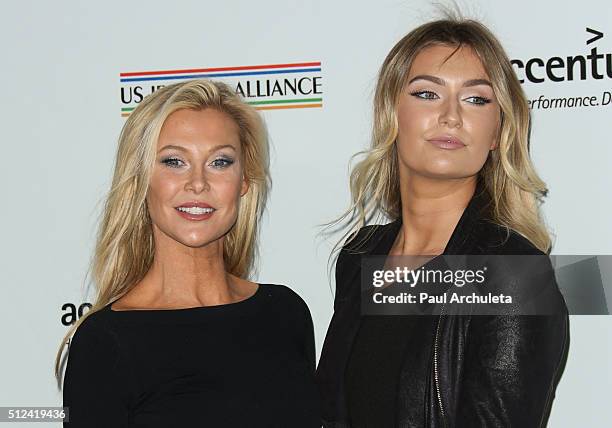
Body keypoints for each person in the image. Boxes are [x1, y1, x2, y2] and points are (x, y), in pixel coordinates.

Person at [316, 17, 569, 427]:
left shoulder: (513, 275)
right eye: (427, 93)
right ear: (392, 114)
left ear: (496, 132)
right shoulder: (361, 255)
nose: (451, 116)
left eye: (476, 100)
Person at [55, 79, 320, 427]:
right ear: (141, 179)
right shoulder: (106, 343)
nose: (198, 183)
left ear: (244, 181)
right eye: (174, 161)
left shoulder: (286, 313)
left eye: (220, 162)